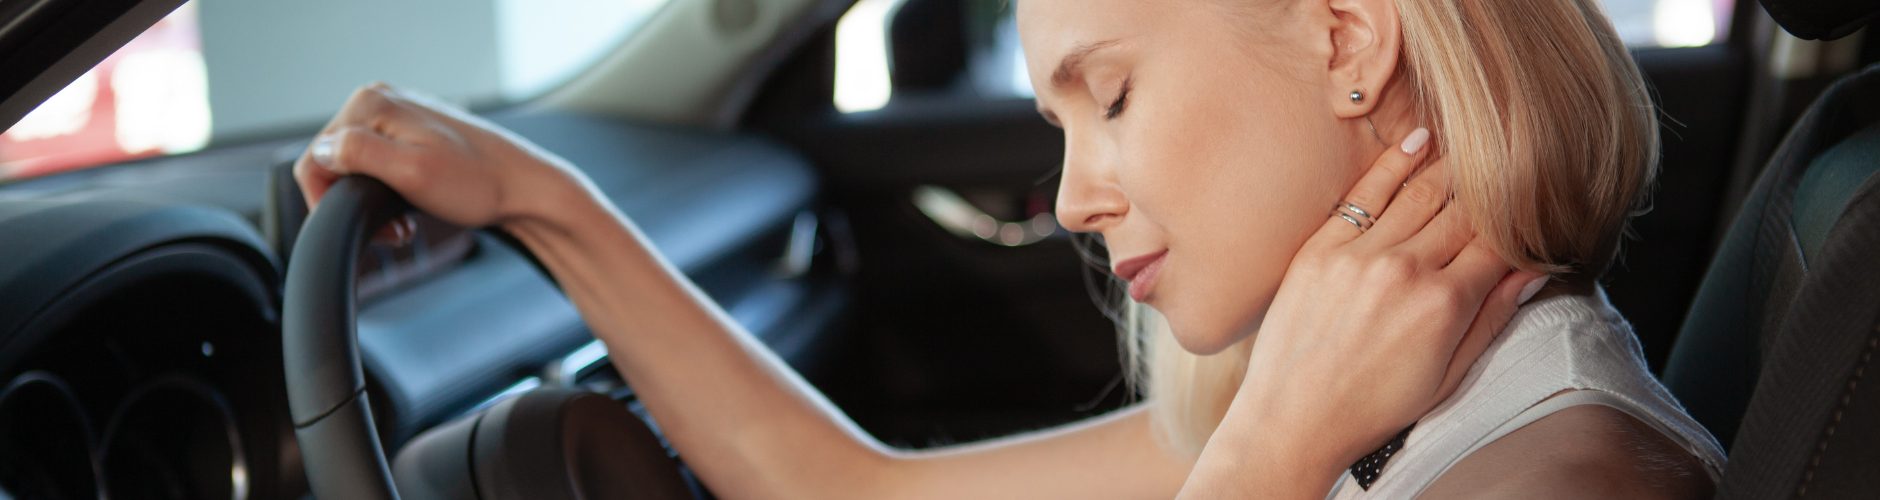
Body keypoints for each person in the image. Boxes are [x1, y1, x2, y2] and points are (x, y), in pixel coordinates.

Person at [295, 0, 1725, 497]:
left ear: (1347, 41)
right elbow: (845, 490)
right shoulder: (1364, 391)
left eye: (1109, 96)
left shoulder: (1561, 478)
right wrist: (545, 199)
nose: (1074, 198)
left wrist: (1265, 464)